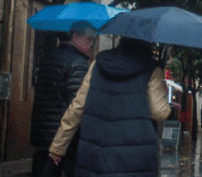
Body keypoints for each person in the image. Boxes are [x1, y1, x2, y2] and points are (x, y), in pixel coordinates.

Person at [48, 37, 171, 177]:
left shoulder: (98, 64)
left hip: (96, 153)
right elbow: (160, 113)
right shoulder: (152, 70)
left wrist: (58, 147)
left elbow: (77, 108)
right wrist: (163, 93)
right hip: (135, 158)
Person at [30, 21, 96, 177]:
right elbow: (78, 104)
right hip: (64, 139)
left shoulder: (48, 57)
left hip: (42, 136)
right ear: (75, 37)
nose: (91, 44)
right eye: (89, 39)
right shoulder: (78, 63)